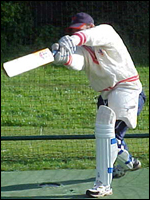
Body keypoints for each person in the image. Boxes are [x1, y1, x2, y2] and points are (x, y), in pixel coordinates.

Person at [51, 12, 146, 198]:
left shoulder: (105, 32)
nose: (76, 34)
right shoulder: (84, 49)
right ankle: (129, 163)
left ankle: (103, 185)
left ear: (90, 26)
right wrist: (64, 58)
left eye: (79, 30)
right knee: (111, 138)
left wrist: (73, 39)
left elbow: (94, 36)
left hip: (127, 88)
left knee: (106, 136)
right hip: (105, 94)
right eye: (73, 31)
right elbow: (78, 62)